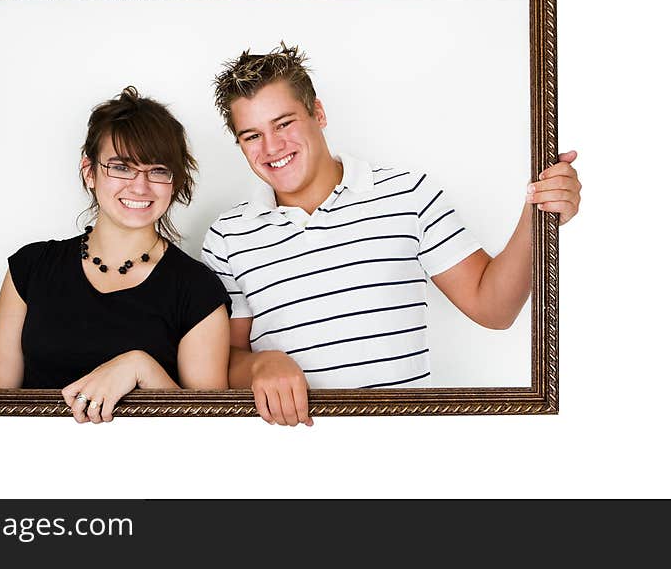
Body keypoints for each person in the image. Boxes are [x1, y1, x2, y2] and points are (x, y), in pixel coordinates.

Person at [201, 44, 581, 426]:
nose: (272, 147)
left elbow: (494, 309)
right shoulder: (228, 236)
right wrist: (260, 365)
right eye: (251, 136)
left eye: (284, 123)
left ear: (318, 112)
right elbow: (224, 361)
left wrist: (539, 213)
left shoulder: (408, 195)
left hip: (403, 446)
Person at [0, 86, 231, 423]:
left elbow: (208, 427)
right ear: (89, 171)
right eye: (121, 167)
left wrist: (141, 368)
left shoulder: (198, 289)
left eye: (157, 170)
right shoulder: (32, 268)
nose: (140, 186)